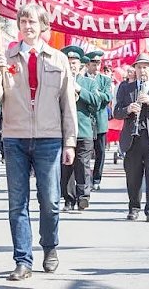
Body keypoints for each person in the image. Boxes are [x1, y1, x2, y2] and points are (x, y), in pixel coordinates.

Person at [0, 3, 77, 280]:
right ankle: (23, 260)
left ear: (43, 27)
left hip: (50, 139)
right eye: (24, 21)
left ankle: (50, 247)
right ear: (19, 26)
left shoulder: (58, 60)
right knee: (17, 203)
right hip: (15, 138)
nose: (28, 26)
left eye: (33, 22)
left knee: (49, 201)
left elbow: (68, 104)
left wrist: (70, 142)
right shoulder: (8, 58)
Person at [114, 53, 149, 222]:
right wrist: (127, 109)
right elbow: (116, 112)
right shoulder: (126, 88)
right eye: (139, 67)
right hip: (132, 137)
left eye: (145, 67)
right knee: (133, 176)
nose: (142, 70)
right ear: (135, 69)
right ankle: (133, 208)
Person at [60, 47, 99, 211]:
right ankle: (69, 199)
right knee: (67, 166)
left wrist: (79, 90)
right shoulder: (59, 82)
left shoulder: (88, 82)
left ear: (80, 65)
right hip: (64, 130)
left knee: (82, 165)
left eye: (74, 63)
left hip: (83, 130)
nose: (71, 66)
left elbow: (96, 102)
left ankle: (83, 197)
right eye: (68, 63)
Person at [84, 51, 112, 191]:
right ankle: (84, 178)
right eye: (93, 64)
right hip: (85, 121)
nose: (96, 67)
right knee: (85, 152)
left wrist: (96, 94)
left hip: (100, 121)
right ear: (87, 64)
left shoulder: (105, 80)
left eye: (98, 63)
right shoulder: (81, 79)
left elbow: (108, 97)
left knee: (100, 151)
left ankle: (96, 178)